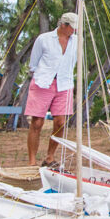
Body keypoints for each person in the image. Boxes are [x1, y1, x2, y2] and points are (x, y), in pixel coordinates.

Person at [25, 12, 78, 167]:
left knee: (61, 122)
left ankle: (50, 157)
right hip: (43, 82)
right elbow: (33, 63)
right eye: (71, 28)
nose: (73, 31)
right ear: (63, 24)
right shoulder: (44, 39)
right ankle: (32, 161)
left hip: (65, 83)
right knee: (37, 122)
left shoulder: (77, 42)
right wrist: (41, 77)